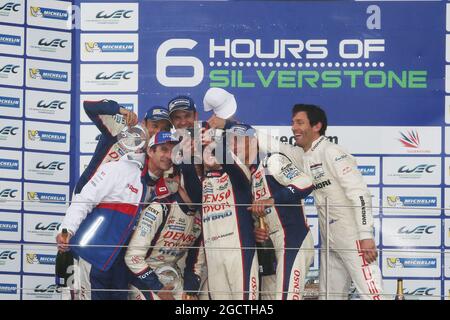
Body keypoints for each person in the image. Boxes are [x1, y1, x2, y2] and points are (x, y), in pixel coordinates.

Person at [56, 131, 179, 300]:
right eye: (164, 149)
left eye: (173, 151)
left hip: (121, 266)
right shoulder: (120, 170)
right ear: (150, 151)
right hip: (94, 255)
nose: (168, 155)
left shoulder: (165, 189)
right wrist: (67, 230)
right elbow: (84, 199)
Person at [288, 104, 383, 300]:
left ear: (316, 126)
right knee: (329, 296)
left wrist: (365, 234)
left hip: (352, 235)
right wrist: (238, 128)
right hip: (329, 238)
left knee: (372, 293)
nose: (294, 127)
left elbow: (359, 193)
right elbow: (276, 146)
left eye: (300, 122)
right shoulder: (305, 155)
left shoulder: (331, 151)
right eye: (292, 123)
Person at [125, 169, 205, 300]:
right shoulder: (160, 208)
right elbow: (133, 257)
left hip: (171, 275)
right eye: (193, 176)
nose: (197, 182)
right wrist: (158, 287)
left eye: (201, 177)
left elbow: (195, 261)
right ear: (178, 179)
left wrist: (191, 288)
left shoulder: (201, 217)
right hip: (142, 276)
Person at [201, 126, 259, 300]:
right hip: (213, 254)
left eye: (238, 140)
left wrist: (213, 143)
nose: (233, 145)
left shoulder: (241, 174)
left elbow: (232, 165)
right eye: (229, 140)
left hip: (238, 251)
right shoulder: (203, 181)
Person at [248, 150, 315, 300]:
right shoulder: (247, 175)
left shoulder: (271, 161)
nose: (234, 149)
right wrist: (256, 230)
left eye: (237, 142)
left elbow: (306, 182)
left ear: (250, 141)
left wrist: (272, 200)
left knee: (287, 296)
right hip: (269, 246)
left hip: (292, 238)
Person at [75, 100, 172, 194]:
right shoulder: (124, 129)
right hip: (87, 192)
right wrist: (119, 109)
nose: (159, 132)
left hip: (115, 203)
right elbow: (89, 107)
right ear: (144, 124)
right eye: (154, 126)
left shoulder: (160, 154)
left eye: (165, 129)